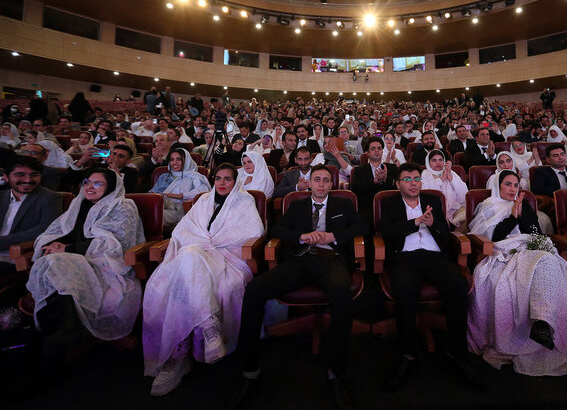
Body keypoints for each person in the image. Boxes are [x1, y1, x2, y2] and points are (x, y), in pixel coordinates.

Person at [236, 165, 367, 409]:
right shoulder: (296, 205)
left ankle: (337, 373)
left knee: (342, 295)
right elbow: (276, 229)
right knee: (254, 290)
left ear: (331, 184)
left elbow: (362, 228)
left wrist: (332, 236)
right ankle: (250, 371)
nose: (320, 184)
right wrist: (302, 236)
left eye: (325, 180)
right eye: (316, 179)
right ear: (310, 182)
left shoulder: (343, 205)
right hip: (299, 259)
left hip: (331, 260)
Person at [142, 163, 265, 396]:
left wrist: (207, 246)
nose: (221, 183)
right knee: (170, 277)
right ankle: (208, 329)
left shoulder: (244, 201)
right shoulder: (203, 200)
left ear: (235, 181)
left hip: (228, 257)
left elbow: (252, 232)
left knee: (193, 266)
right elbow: (182, 231)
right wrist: (200, 246)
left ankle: (177, 355)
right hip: (196, 254)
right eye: (218, 178)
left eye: (227, 179)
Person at [467, 170, 567, 376]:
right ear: (498, 186)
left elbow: (535, 234)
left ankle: (544, 326)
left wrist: (523, 213)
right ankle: (538, 326)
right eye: (508, 184)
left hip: (530, 250)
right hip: (504, 252)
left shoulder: (525, 205)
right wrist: (512, 216)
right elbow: (491, 238)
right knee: (507, 282)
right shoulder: (488, 206)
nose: (513, 189)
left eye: (516, 185)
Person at [379, 163, 482, 391]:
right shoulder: (389, 203)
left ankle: (457, 353)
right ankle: (408, 354)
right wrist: (414, 223)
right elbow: (386, 231)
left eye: (416, 179)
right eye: (407, 179)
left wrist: (433, 223)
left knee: (458, 286)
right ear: (398, 183)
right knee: (405, 292)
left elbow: (445, 233)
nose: (413, 183)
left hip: (434, 256)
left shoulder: (432, 201)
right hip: (405, 257)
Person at [27, 167, 145, 354]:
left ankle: (69, 328)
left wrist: (67, 249)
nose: (90, 187)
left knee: (57, 262)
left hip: (107, 264)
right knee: (53, 263)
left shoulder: (123, 205)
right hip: (75, 260)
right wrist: (55, 243)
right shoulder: (78, 204)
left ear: (111, 187)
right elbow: (62, 230)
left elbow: (116, 244)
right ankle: (63, 329)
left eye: (98, 183)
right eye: (87, 182)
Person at [0, 157, 63, 275]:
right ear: (6, 176)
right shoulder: (2, 196)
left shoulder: (50, 198)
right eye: (20, 175)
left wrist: (3, 242)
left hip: (16, 256)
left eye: (34, 175)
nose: (27, 180)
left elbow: (46, 229)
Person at [150, 149, 211, 230]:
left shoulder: (194, 177)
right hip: (159, 206)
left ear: (186, 161)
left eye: (179, 159)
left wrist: (180, 196)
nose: (174, 163)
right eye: (172, 160)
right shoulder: (164, 176)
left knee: (153, 216)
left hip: (179, 209)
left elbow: (204, 192)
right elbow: (152, 194)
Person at [350, 136, 397, 225]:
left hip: (390, 208)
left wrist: (386, 179)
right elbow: (355, 189)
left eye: (379, 148)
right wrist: (374, 181)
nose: (377, 151)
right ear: (367, 153)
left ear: (382, 151)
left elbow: (399, 188)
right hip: (366, 209)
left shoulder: (392, 168)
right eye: (373, 149)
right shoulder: (358, 170)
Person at [421, 150, 468, 228]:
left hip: (453, 208)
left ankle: (457, 236)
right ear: (429, 163)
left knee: (468, 218)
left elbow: (464, 194)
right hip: (434, 210)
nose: (438, 163)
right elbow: (424, 192)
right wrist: (441, 179)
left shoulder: (451, 172)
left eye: (440, 160)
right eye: (434, 160)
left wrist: (451, 179)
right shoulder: (425, 174)